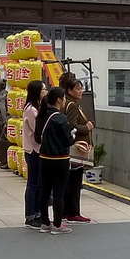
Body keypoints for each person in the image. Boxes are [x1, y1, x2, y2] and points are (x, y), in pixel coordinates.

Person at [34, 86, 76, 234]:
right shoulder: (60, 118)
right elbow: (68, 141)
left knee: (44, 191)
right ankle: (57, 225)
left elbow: (37, 137)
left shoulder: (42, 116)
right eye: (63, 98)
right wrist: (73, 136)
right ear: (59, 100)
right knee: (58, 193)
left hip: (44, 158)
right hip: (60, 159)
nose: (64, 101)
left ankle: (45, 222)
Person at [61, 73, 94, 223]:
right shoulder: (72, 105)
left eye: (81, 88)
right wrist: (86, 127)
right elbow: (71, 126)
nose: (81, 91)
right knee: (74, 182)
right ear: (69, 90)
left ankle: (66, 212)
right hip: (76, 148)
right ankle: (73, 212)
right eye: (77, 89)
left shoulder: (66, 102)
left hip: (68, 148)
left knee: (69, 181)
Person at [21, 80, 44, 228]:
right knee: (33, 183)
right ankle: (30, 215)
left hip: (38, 150)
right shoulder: (31, 109)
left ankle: (37, 213)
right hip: (33, 150)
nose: (46, 92)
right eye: (44, 89)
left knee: (38, 184)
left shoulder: (38, 107)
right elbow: (38, 129)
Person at [0, 80, 11, 169]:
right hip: (9, 119)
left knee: (3, 141)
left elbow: (2, 109)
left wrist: (4, 122)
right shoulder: (8, 94)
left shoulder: (1, 97)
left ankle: (4, 161)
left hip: (2, 121)